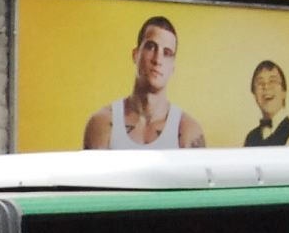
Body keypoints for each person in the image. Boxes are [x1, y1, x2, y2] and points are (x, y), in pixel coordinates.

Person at [82, 16, 209, 149]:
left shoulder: (188, 131)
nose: (157, 59)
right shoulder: (102, 123)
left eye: (167, 53)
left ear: (173, 67)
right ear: (135, 55)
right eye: (151, 47)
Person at [242, 60, 289, 147]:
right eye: (260, 83)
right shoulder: (250, 138)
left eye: (272, 81)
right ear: (254, 94)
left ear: (283, 92)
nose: (266, 87)